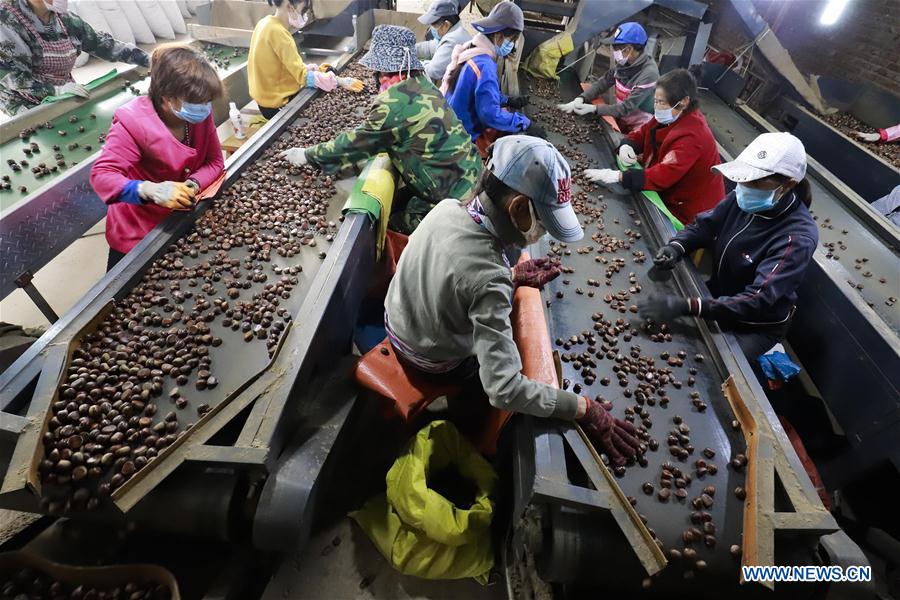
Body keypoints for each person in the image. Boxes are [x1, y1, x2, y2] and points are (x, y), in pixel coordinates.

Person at [384, 135, 642, 466]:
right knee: (487, 386)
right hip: (426, 358)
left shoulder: (449, 208)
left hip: (397, 321)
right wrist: (583, 409)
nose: (543, 234)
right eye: (544, 224)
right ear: (518, 208)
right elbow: (504, 388)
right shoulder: (489, 278)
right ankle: (468, 437)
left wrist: (513, 276)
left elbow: (457, 274)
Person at [280, 25, 481, 234]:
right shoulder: (422, 82)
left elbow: (354, 143)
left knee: (393, 222)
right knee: (402, 198)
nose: (376, 75)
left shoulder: (393, 103)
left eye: (379, 70)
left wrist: (308, 155)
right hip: (473, 180)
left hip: (458, 206)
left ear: (385, 69)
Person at [637, 132, 818, 360]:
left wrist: (689, 306)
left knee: (705, 362)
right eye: (743, 179)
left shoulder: (797, 238)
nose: (743, 186)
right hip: (718, 296)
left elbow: (757, 299)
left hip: (753, 325)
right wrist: (677, 246)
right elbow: (706, 225)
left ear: (787, 185)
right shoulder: (745, 196)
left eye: (754, 181)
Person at [90, 44, 224, 271]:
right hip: (139, 232)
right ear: (167, 97)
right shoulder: (133, 122)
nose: (204, 108)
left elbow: (215, 162)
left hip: (181, 218)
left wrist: (192, 185)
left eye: (206, 101)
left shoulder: (199, 115)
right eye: (196, 102)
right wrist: (149, 190)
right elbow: (102, 176)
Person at [583, 69, 725, 224]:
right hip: (670, 194)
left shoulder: (693, 136)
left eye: (661, 102)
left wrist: (618, 176)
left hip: (688, 210)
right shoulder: (671, 115)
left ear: (683, 102)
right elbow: (644, 132)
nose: (656, 106)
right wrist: (627, 144)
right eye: (655, 100)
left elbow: (664, 174)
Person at [0, 0, 149, 115]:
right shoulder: (7, 20)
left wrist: (146, 59)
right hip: (22, 99)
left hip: (65, 88)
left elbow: (101, 44)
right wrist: (55, 91)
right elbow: (12, 76)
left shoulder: (64, 18)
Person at [442, 1, 543, 156]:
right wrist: (525, 123)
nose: (513, 46)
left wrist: (506, 100)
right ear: (498, 36)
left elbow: (475, 92)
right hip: (459, 141)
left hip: (447, 125)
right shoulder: (485, 66)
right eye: (513, 40)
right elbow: (489, 114)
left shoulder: (471, 50)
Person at [248, 0, 363, 120]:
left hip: (264, 101)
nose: (305, 15)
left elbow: (284, 64)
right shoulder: (279, 34)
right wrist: (339, 81)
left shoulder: (265, 23)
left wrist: (315, 69)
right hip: (277, 104)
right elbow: (303, 77)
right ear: (289, 6)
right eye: (303, 10)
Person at [557, 22, 658, 133]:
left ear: (628, 49)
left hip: (641, 126)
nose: (614, 52)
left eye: (616, 48)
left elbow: (626, 108)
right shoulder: (624, 63)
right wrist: (581, 98)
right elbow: (603, 82)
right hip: (623, 118)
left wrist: (594, 109)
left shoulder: (649, 74)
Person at [415, 0, 471, 83]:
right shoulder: (454, 31)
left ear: (446, 25)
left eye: (433, 24)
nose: (431, 28)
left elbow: (432, 72)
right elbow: (430, 48)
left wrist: (412, 62)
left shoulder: (453, 41)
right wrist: (410, 50)